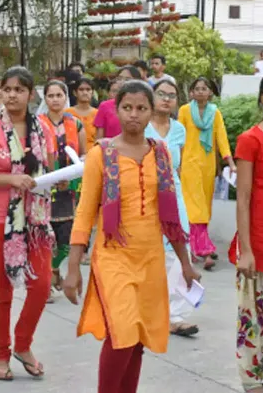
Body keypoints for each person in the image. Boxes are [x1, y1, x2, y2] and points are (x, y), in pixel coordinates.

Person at [62, 80, 200, 393]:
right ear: (117, 109)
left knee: (137, 340)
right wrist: (72, 269)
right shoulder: (102, 154)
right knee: (121, 334)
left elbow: (170, 217)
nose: (133, 115)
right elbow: (84, 213)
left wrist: (185, 263)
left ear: (152, 112)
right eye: (127, 108)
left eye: (141, 108)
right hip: (113, 256)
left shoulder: (161, 153)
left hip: (151, 257)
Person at [0, 66, 56, 381]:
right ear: (0, 92)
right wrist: (12, 179)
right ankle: (1, 355)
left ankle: (23, 344)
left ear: (32, 95)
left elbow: (47, 171)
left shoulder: (43, 129)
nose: (14, 95)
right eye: (9, 89)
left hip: (35, 222)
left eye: (21, 89)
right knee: (1, 290)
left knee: (42, 285)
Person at [230, 72, 263, 393]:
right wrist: (245, 249)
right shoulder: (251, 140)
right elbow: (242, 197)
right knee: (252, 326)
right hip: (256, 247)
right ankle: (253, 387)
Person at [144, 79, 195, 336]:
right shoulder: (142, 128)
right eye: (161, 94)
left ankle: (175, 315)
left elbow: (179, 165)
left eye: (171, 95)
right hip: (145, 193)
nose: (166, 99)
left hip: (173, 193)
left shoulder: (179, 130)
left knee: (179, 248)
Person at [179, 77, 235, 270]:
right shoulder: (184, 111)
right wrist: (175, 163)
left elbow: (221, 138)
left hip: (208, 166)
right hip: (188, 164)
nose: (201, 91)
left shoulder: (215, 113)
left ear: (211, 92)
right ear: (191, 92)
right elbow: (179, 137)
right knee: (195, 207)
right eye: (197, 88)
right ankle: (203, 249)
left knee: (204, 207)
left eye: (205, 88)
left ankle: (194, 245)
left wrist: (229, 162)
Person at [39, 80, 86, 303]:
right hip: (45, 187)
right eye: (51, 95)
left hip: (69, 189)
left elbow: (84, 155)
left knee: (67, 239)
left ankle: (55, 268)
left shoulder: (76, 124)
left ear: (66, 98)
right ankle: (46, 280)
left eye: (59, 95)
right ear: (45, 98)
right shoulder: (37, 123)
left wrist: (72, 176)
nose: (55, 99)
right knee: (45, 238)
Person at [65, 78, 99, 153]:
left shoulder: (98, 114)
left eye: (88, 89)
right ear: (75, 92)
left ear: (92, 93)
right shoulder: (67, 113)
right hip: (71, 153)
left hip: (93, 153)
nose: (85, 92)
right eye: (81, 89)